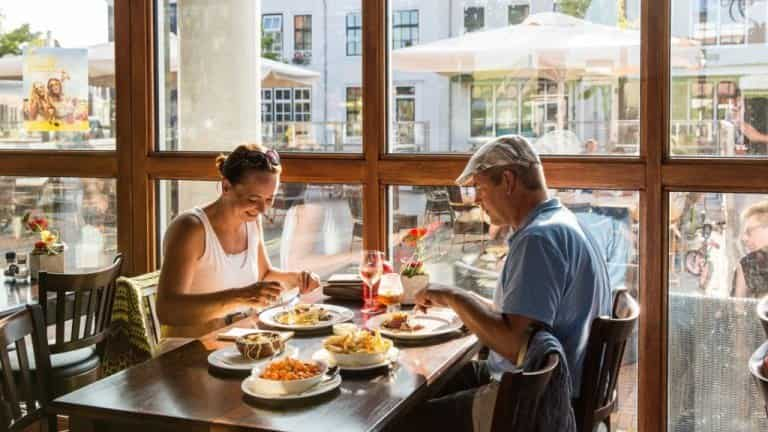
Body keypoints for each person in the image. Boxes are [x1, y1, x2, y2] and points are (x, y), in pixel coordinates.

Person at [408, 135, 612, 431]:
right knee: (431, 385)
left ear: (507, 180)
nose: (476, 199)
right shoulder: (564, 222)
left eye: (479, 187)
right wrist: (463, 299)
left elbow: (513, 344)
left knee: (407, 418)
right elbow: (519, 319)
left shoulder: (538, 240)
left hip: (536, 399)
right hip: (555, 386)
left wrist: (453, 297)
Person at [157, 144, 321, 337]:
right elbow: (167, 310)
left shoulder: (251, 221)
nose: (262, 210)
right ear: (226, 186)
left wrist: (298, 279)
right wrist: (240, 297)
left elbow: (264, 274)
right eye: (253, 199)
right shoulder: (190, 228)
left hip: (238, 345)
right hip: (187, 353)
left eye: (270, 199)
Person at [732, 201, 768, 298]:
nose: (744, 238)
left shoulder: (749, 264)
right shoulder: (749, 265)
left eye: (749, 232)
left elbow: (736, 310)